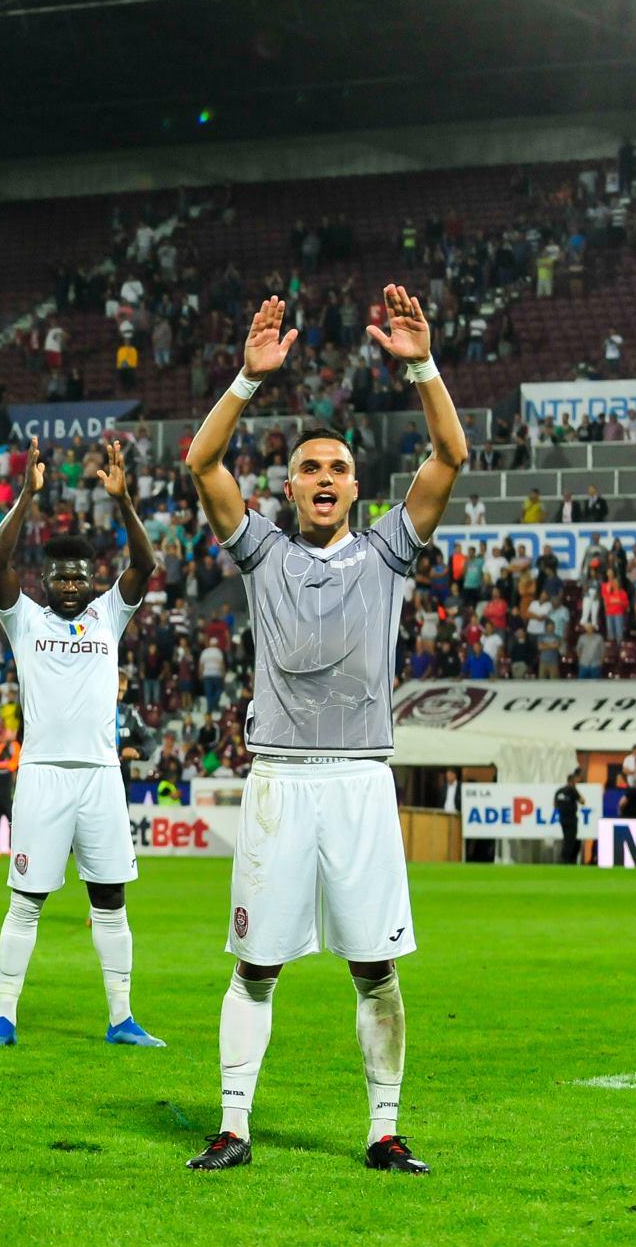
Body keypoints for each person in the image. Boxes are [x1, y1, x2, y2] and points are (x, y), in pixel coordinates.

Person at [181, 289, 466, 1174]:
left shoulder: (386, 551)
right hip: (277, 780)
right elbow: (201, 462)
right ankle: (234, 1125)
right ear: (291, 484)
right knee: (255, 968)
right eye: (310, 468)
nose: (325, 479)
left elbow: (452, 453)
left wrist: (421, 367)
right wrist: (244, 379)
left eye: (338, 467)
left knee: (374, 970)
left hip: (358, 781)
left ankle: (384, 1129)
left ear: (355, 484)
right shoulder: (261, 551)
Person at [0, 439, 161, 1050]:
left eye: (78, 574)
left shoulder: (109, 615)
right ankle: (5, 1017)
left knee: (110, 899)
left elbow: (145, 563)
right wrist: (28, 496)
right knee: (26, 899)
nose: (69, 582)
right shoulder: (23, 617)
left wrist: (125, 501)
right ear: (46, 579)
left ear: (90, 579)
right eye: (58, 574)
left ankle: (121, 1018)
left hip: (101, 775)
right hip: (44, 775)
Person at [553, 771, 584, 865]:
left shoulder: (559, 791)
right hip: (571, 819)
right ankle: (566, 860)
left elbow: (555, 805)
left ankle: (564, 859)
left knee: (566, 839)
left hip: (563, 819)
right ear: (573, 781)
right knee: (570, 840)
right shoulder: (572, 790)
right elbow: (582, 801)